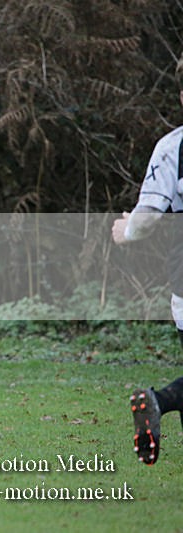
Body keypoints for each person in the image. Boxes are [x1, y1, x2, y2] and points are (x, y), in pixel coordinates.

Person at [112, 58, 183, 465]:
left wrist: (127, 232)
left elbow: (150, 211)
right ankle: (158, 400)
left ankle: (159, 402)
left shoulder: (173, 146)